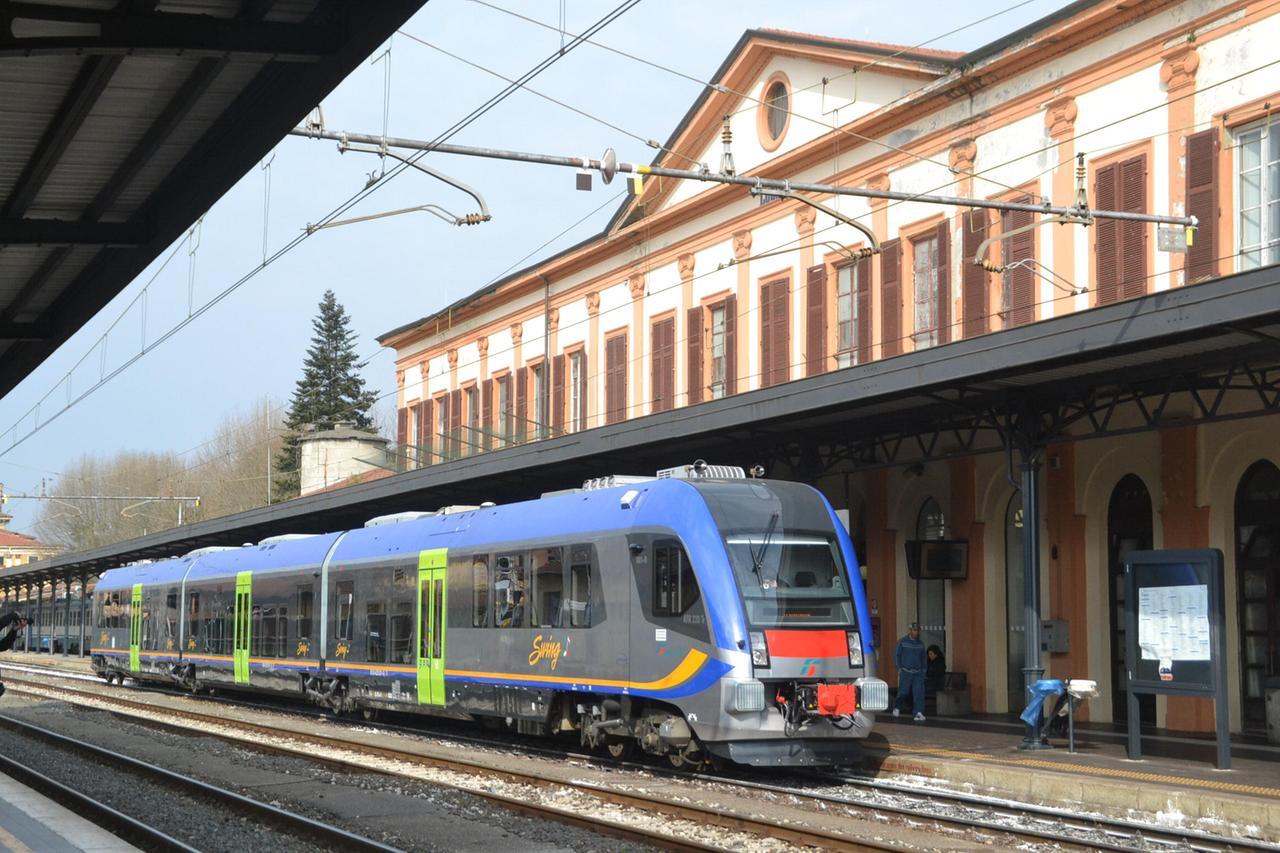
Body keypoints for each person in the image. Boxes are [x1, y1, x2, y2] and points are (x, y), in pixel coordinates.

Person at [892, 622, 927, 722]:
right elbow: (897, 656)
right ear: (910, 630)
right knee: (903, 692)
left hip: (918, 673)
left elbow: (924, 658)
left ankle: (918, 712)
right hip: (906, 672)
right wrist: (899, 668)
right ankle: (897, 707)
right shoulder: (902, 642)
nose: (916, 632)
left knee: (919, 693)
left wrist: (924, 670)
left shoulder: (921, 644)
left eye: (918, 630)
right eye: (914, 630)